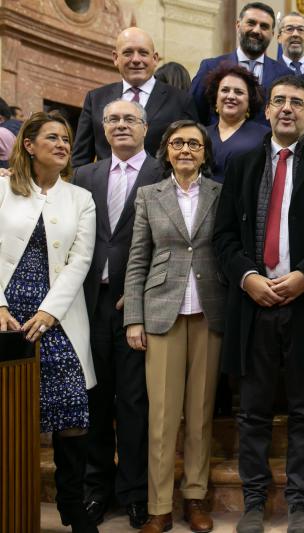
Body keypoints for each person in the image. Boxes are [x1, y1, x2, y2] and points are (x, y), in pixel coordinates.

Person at [213, 75, 304, 533]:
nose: (288, 109)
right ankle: (253, 501)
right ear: (267, 112)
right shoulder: (241, 165)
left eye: (298, 102)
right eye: (279, 102)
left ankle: (298, 502)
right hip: (254, 303)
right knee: (251, 409)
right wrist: (248, 277)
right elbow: (223, 237)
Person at [124, 120, 225, 533]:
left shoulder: (220, 194)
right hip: (161, 312)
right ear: (166, 150)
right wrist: (134, 316)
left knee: (200, 414)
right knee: (163, 416)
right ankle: (159, 505)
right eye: (178, 143)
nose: (186, 150)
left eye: (194, 144)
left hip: (209, 312)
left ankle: (196, 499)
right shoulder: (150, 195)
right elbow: (137, 259)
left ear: (204, 152)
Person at [0, 112, 98, 532]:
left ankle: (72, 506)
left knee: (72, 414)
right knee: (10, 412)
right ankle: (11, 505)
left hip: (58, 317)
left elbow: (81, 260)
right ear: (29, 144)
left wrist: (50, 310)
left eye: (66, 138)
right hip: (6, 316)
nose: (61, 144)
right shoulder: (2, 188)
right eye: (52, 137)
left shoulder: (80, 198)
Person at [72, 99, 160, 529]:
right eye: (112, 119)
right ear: (102, 128)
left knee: (134, 402)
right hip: (89, 304)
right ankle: (96, 489)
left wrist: (141, 293)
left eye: (129, 119)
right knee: (95, 397)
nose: (120, 125)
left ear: (145, 126)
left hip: (138, 306)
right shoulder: (84, 175)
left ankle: (134, 492)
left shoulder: (162, 172)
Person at [73, 27, 197, 166]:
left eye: (143, 53)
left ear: (155, 59)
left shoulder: (181, 100)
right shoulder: (96, 99)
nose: (136, 59)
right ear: (115, 58)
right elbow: (80, 160)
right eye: (128, 53)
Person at [190, 2, 293, 125]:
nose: (256, 30)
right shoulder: (210, 67)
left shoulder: (285, 74)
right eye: (251, 23)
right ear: (238, 25)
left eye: (264, 26)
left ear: (272, 34)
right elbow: (194, 113)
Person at [204, 64, 269, 183]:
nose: (231, 96)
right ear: (216, 97)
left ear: (250, 100)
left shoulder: (265, 137)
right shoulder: (201, 134)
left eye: (239, 92)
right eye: (225, 90)